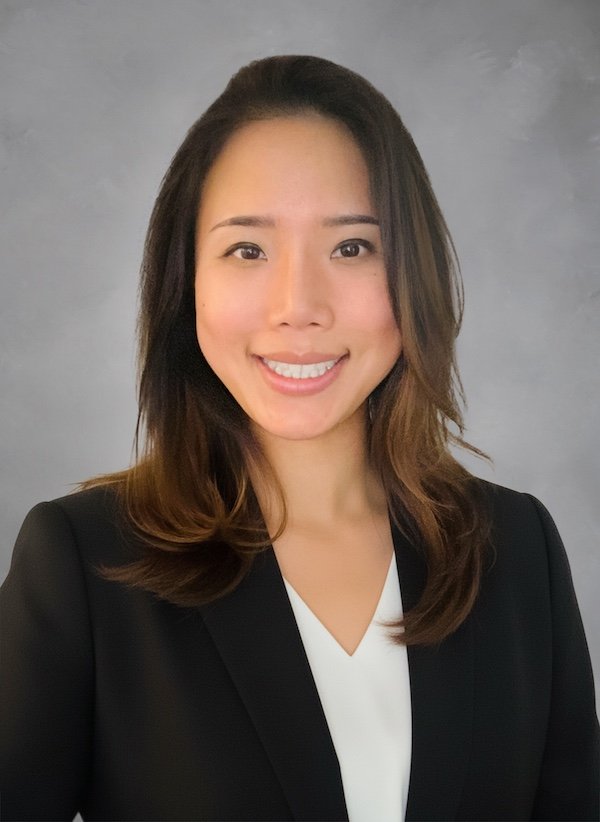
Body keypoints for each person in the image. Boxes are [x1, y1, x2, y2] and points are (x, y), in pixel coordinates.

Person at [1, 54, 598, 822]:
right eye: (248, 249)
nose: (298, 306)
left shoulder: (516, 550)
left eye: (351, 247)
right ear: (186, 284)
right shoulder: (82, 564)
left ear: (411, 277)